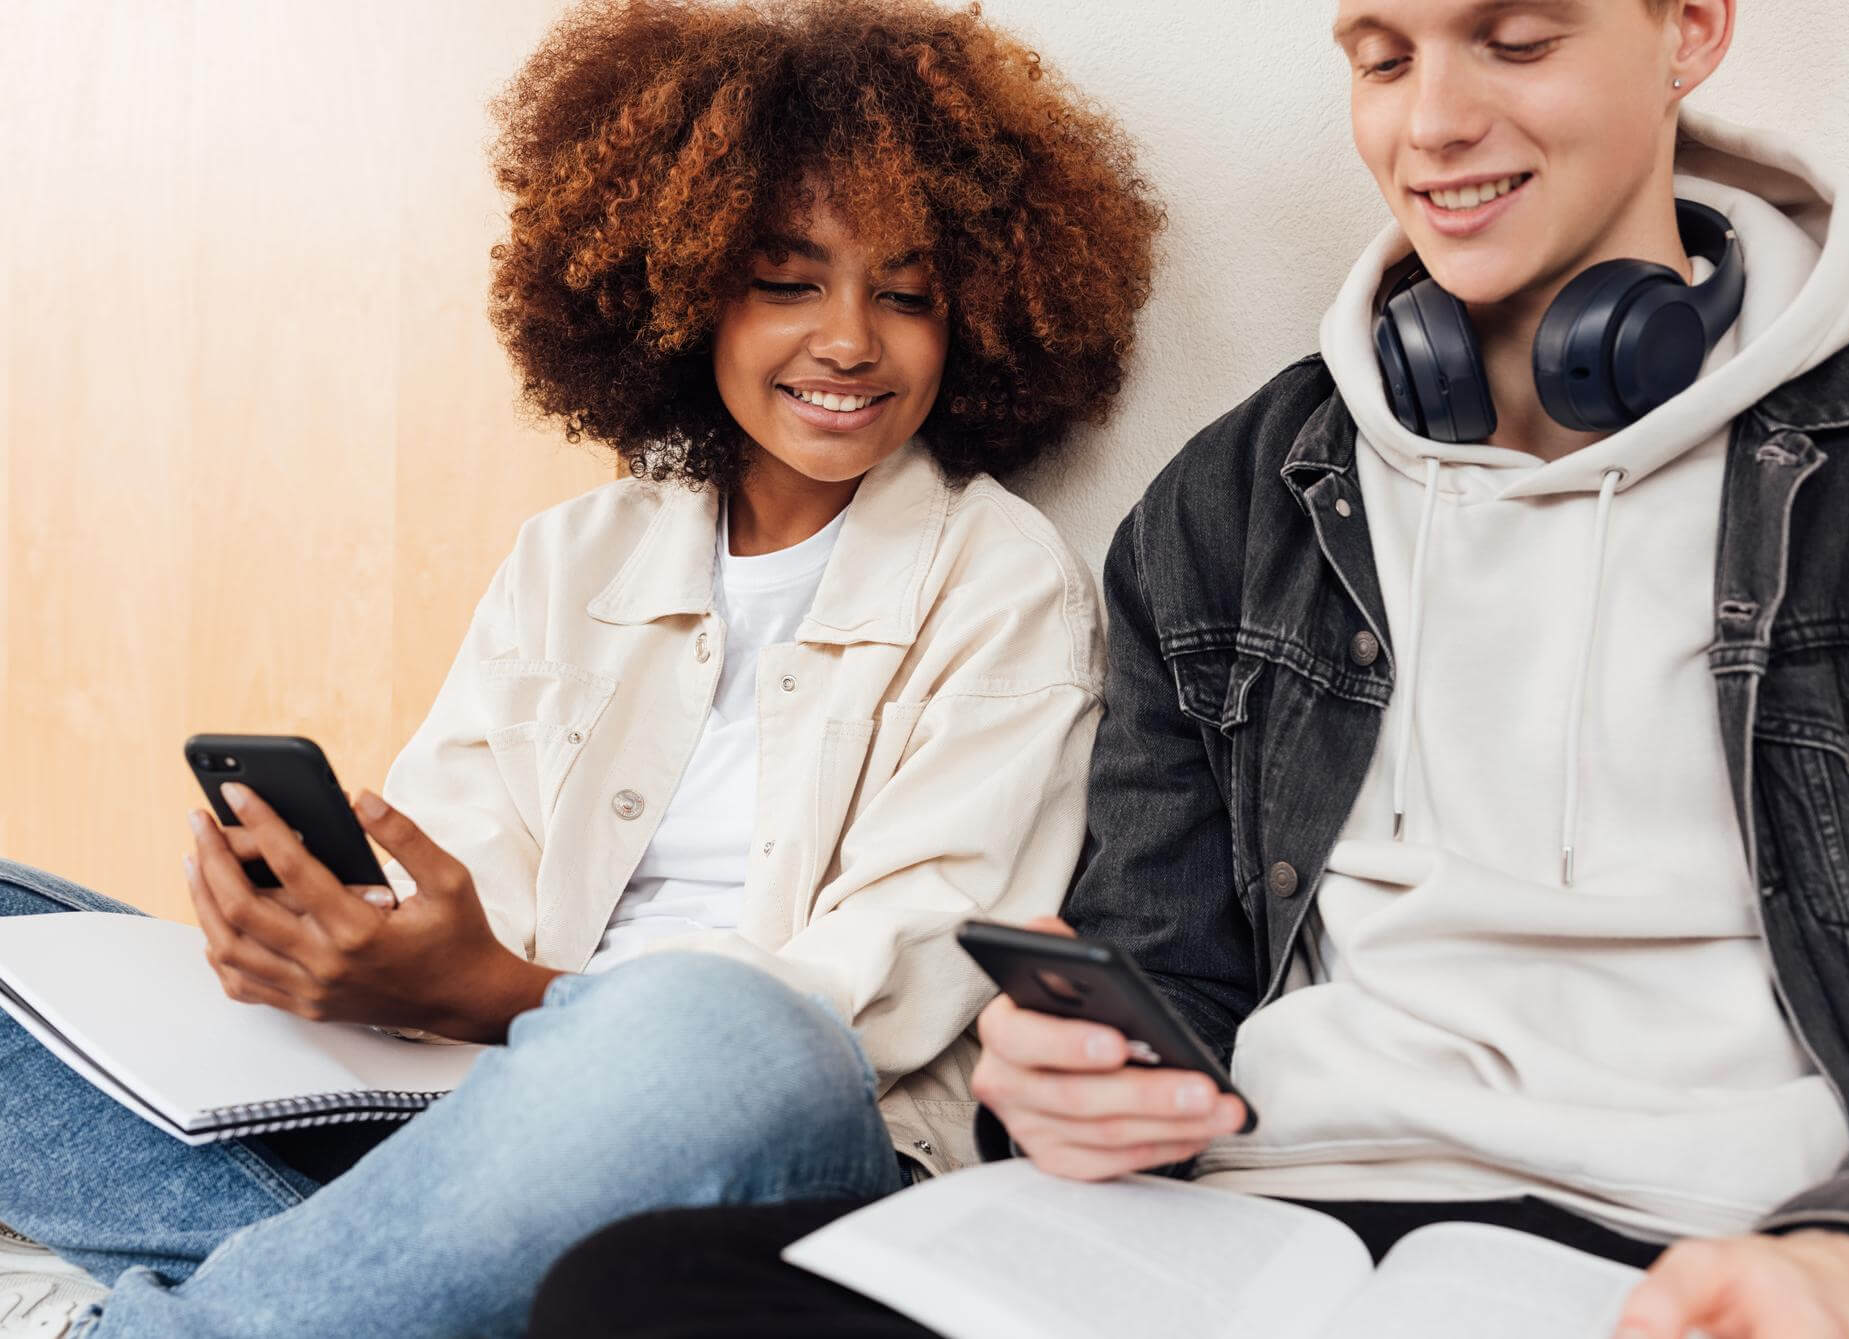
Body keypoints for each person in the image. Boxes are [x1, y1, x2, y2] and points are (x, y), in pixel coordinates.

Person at [523, 0, 1849, 1335]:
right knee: (634, 1293)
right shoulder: (1236, 495)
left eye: (1517, 42)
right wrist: (1058, 1092)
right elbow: (1161, 977)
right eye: (1383, 57)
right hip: (1243, 1231)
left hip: (1695, 1253)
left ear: (1688, 30)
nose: (1432, 126)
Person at [0, 1, 1163, 1335]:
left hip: (777, 1140)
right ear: (680, 286)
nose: (849, 339)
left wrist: (500, 993)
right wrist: (328, 938)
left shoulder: (1004, 583)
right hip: (464, 1119)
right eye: (789, 281)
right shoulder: (574, 555)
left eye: (906, 294)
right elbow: (454, 872)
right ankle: (366, 1281)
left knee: (710, 1030)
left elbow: (871, 1008)